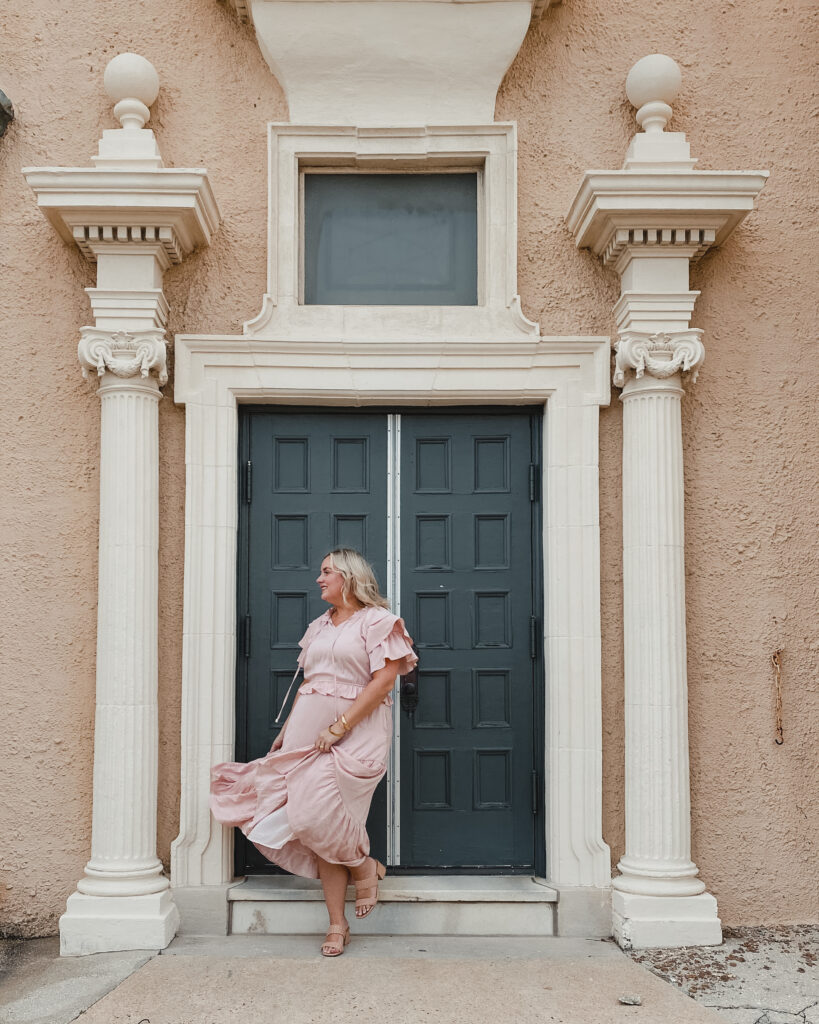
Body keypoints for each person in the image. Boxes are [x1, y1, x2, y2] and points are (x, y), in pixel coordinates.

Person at [210, 548, 417, 957]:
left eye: (326, 572)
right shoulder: (320, 626)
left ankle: (361, 866)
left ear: (348, 577)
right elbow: (311, 682)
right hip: (307, 732)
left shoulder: (379, 622)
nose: (319, 579)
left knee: (318, 815)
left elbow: (383, 683)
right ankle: (342, 915)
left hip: (356, 734)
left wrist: (339, 726)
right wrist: (286, 732)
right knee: (313, 827)